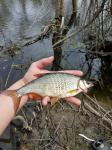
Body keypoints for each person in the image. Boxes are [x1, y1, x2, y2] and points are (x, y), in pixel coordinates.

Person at [0, 56, 83, 135]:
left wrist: (24, 82)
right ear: (81, 83)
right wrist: (24, 82)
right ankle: (16, 94)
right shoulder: (76, 86)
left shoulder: (76, 83)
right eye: (87, 83)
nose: (88, 85)